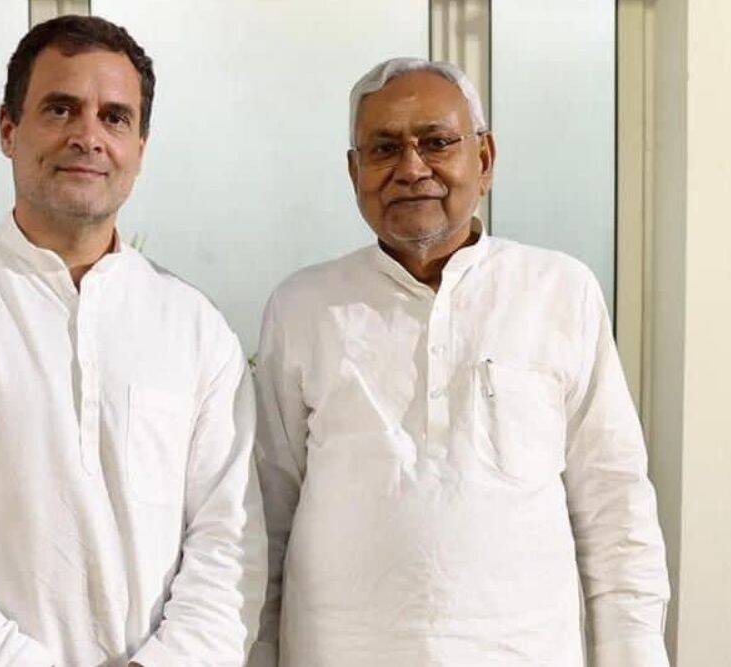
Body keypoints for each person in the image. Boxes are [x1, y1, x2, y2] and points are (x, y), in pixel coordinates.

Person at [0, 15, 265, 666]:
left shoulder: (196, 330)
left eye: (114, 117)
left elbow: (229, 546)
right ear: (8, 130)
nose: (87, 136)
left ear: (140, 147)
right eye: (61, 108)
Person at [250, 58, 670, 666]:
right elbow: (266, 516)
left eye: (437, 142)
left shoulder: (558, 291)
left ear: (485, 158)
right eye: (384, 148)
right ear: (354, 171)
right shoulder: (304, 306)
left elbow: (614, 505)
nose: (411, 168)